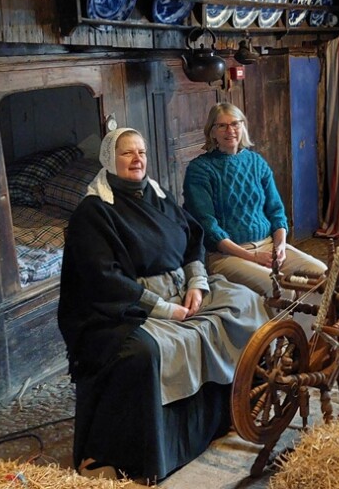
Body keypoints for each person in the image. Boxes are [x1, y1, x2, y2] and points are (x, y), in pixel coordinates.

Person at [57, 127, 270, 483]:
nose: (137, 159)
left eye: (141, 152)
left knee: (246, 303)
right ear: (110, 159)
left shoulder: (158, 196)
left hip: (183, 289)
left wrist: (197, 283)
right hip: (127, 306)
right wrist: (164, 309)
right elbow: (103, 278)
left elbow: (192, 239)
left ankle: (235, 410)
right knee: (143, 353)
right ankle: (136, 455)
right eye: (127, 153)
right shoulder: (93, 213)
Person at [183, 103, 326, 299]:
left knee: (323, 274)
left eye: (235, 123)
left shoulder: (256, 162)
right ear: (212, 132)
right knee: (282, 289)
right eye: (222, 125)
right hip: (228, 255)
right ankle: (281, 320)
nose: (230, 130)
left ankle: (310, 321)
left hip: (268, 246)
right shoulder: (200, 169)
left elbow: (276, 212)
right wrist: (253, 257)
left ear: (243, 126)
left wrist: (280, 246)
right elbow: (209, 228)